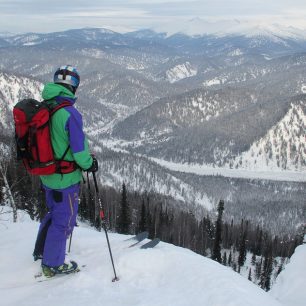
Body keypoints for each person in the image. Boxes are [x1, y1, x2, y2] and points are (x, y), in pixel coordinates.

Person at [33, 65, 98, 277]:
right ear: (74, 87)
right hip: (65, 179)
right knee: (64, 221)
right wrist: (90, 164)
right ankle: (52, 264)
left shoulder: (46, 107)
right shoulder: (70, 113)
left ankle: (42, 251)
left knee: (54, 213)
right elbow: (80, 153)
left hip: (47, 174)